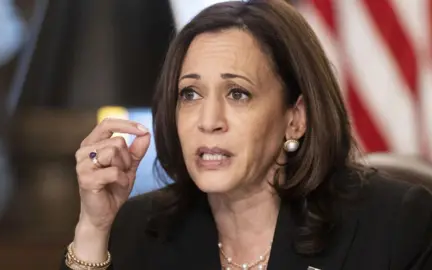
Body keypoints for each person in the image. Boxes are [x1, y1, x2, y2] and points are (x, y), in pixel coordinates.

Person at [61, 1, 432, 269]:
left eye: (238, 94)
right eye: (190, 94)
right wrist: (93, 229)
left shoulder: (395, 225)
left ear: (295, 118)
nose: (209, 121)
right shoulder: (141, 228)